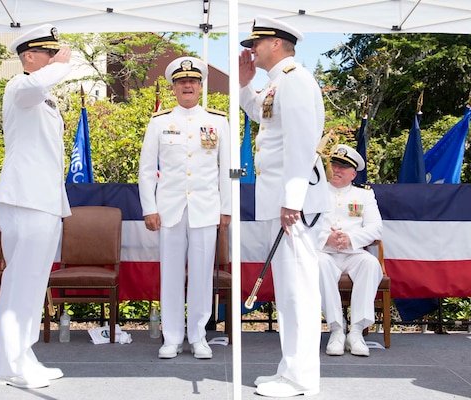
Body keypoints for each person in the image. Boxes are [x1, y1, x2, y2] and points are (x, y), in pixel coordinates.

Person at [239, 15, 330, 398]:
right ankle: (289, 371)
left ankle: (300, 379)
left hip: (296, 203)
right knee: (291, 290)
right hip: (287, 200)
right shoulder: (279, 82)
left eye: (256, 43)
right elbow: (262, 114)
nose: (251, 49)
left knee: (299, 292)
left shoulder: (295, 80)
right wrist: (245, 85)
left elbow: (300, 143)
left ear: (276, 43)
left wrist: (291, 201)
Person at [0, 24, 72, 389]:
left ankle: (22, 355)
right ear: (29, 57)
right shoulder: (20, 87)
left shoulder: (44, 97)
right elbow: (37, 85)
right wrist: (64, 63)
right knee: (20, 281)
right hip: (25, 198)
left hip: (43, 200)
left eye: (56, 54)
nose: (56, 58)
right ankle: (10, 366)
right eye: (49, 53)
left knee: (33, 282)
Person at [138, 56, 231, 360]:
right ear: (173, 88)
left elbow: (228, 169)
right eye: (181, 82)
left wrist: (226, 207)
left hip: (205, 208)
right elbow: (147, 170)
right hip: (170, 210)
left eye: (192, 81)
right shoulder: (160, 122)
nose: (187, 85)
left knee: (203, 275)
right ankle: (173, 336)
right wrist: (149, 207)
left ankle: (199, 335)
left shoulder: (218, 121)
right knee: (172, 275)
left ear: (201, 86)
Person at [319, 144, 383, 357]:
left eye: (343, 168)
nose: (336, 170)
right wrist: (326, 238)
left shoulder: (364, 195)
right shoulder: (316, 191)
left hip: (353, 252)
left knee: (370, 263)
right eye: (334, 165)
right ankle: (336, 329)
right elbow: (304, 225)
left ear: (353, 173)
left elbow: (376, 228)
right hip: (325, 252)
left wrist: (350, 239)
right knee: (319, 264)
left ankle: (356, 331)